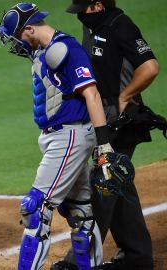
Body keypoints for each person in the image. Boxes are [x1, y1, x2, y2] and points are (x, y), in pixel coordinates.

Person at [0, 2, 115, 269]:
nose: (15, 44)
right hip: (60, 138)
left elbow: (91, 94)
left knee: (35, 209)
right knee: (80, 211)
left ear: (29, 29)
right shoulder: (45, 50)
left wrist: (104, 144)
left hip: (69, 138)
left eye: (16, 37)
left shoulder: (66, 49)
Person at [51, 1, 159, 269]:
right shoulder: (95, 26)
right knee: (117, 182)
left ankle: (79, 260)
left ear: (98, 4)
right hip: (102, 115)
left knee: (103, 181)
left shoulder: (121, 25)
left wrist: (126, 94)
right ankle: (137, 257)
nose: (79, 17)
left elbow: (150, 66)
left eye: (83, 10)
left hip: (121, 119)